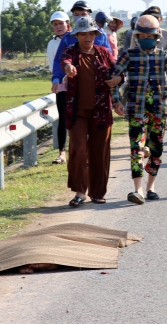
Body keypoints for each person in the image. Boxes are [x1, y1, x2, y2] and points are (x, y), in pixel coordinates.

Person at [111, 15, 167, 204]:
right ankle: (138, 190)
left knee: (156, 149)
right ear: (136, 37)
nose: (145, 39)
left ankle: (151, 187)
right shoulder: (128, 56)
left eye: (149, 35)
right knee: (136, 148)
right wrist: (116, 102)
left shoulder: (163, 56)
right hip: (136, 109)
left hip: (159, 109)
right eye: (141, 36)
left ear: (157, 36)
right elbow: (114, 79)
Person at [61, 16, 116, 206]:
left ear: (95, 34)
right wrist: (68, 68)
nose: (87, 37)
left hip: (101, 110)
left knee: (99, 152)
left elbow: (118, 71)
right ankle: (79, 192)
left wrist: (119, 79)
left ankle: (97, 192)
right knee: (77, 147)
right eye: (83, 34)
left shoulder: (104, 53)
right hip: (78, 111)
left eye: (90, 34)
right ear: (77, 36)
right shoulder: (71, 52)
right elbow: (65, 62)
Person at [52, 0, 112, 97]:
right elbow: (60, 60)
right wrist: (56, 79)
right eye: (76, 14)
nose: (80, 17)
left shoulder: (101, 35)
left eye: (83, 14)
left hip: (98, 86)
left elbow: (109, 60)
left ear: (89, 15)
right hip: (73, 86)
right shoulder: (68, 38)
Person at [46, 11, 71, 164]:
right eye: (55, 24)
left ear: (68, 24)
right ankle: (62, 152)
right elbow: (53, 65)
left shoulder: (76, 38)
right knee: (63, 117)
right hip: (61, 82)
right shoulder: (52, 43)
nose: (58, 26)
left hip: (77, 82)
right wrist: (58, 78)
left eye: (61, 23)